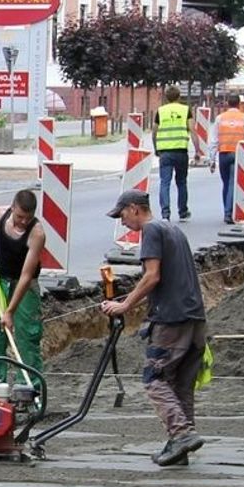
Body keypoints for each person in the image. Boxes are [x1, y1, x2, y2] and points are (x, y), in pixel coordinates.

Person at [101, 189, 207, 467]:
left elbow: (152, 276)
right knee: (181, 384)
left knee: (154, 378)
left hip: (171, 320)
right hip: (195, 319)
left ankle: (181, 434)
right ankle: (179, 446)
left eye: (122, 214)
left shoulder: (151, 231)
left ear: (135, 209)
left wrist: (124, 306)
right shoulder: (173, 230)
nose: (122, 221)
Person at [0, 189, 46, 388]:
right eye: (20, 216)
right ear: (12, 207)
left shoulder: (37, 233)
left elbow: (26, 276)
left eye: (28, 218)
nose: (23, 221)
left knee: (26, 336)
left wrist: (10, 311)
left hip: (24, 287)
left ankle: (30, 388)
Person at [208, 94, 244, 224]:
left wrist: (212, 159)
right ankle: (228, 212)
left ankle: (226, 210)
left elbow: (214, 140)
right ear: (239, 104)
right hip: (239, 154)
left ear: (227, 104)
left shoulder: (220, 118)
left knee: (226, 183)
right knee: (232, 183)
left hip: (224, 154)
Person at [152, 84, 194, 222]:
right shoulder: (185, 110)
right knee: (181, 182)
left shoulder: (161, 111)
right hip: (181, 151)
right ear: (179, 96)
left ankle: (165, 214)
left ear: (166, 97)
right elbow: (192, 129)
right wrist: (199, 150)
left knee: (165, 182)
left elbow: (154, 131)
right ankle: (183, 211)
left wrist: (156, 148)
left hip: (165, 152)